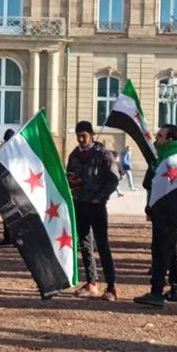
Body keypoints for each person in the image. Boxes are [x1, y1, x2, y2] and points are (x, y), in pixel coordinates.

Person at [67, 121, 120, 301]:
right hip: (80, 204)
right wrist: (72, 182)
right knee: (85, 245)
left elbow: (113, 179)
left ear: (91, 135)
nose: (81, 139)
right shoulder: (74, 155)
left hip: (96, 205)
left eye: (84, 136)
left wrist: (101, 197)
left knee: (102, 245)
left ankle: (111, 287)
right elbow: (68, 176)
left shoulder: (103, 154)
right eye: (78, 136)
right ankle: (91, 282)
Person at [134, 125, 177, 307]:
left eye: (160, 136)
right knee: (175, 251)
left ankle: (156, 292)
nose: (156, 139)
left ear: (170, 139)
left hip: (165, 212)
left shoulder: (167, 159)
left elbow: (149, 182)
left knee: (160, 250)